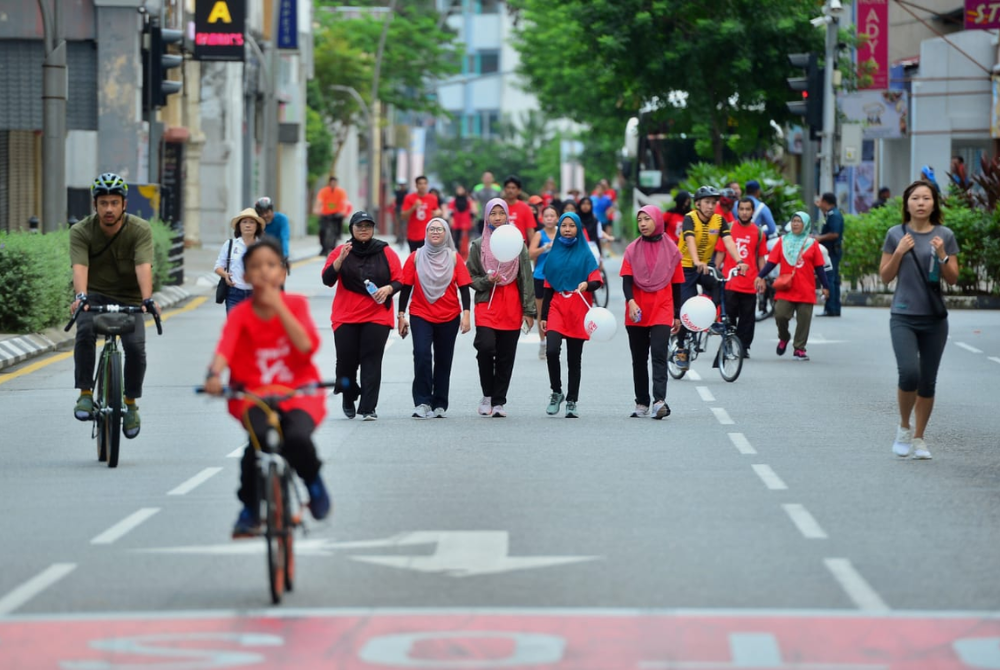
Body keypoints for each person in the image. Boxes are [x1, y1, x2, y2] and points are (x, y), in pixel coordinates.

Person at [203, 237, 331, 537]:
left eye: (271, 265)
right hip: (254, 393)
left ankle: (313, 482)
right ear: (245, 276)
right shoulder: (240, 314)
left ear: (283, 273)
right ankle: (249, 509)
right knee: (257, 443)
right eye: (255, 267)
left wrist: (278, 306)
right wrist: (213, 375)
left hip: (298, 391)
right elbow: (225, 348)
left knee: (298, 438)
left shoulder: (296, 305)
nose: (263, 272)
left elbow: (306, 346)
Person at [70, 172, 158, 439]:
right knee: (84, 333)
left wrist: (147, 300)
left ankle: (130, 404)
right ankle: (85, 394)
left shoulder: (140, 229)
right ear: (95, 205)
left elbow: (143, 266)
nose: (109, 208)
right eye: (103, 203)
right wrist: (81, 296)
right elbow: (80, 267)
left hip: (130, 298)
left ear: (124, 205)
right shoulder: (81, 231)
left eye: (114, 202)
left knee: (136, 349)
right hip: (94, 295)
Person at [879, 180, 959, 460]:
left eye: (927, 198)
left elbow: (952, 278)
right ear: (907, 203)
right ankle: (903, 427)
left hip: (935, 318)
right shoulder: (895, 234)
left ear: (934, 203)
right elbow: (885, 276)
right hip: (903, 315)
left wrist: (942, 255)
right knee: (909, 372)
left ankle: (920, 438)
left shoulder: (944, 234)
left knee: (927, 381)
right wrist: (900, 251)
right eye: (916, 198)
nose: (921, 203)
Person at [321, 211, 402, 420]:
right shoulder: (342, 251)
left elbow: (400, 279)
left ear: (373, 228)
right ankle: (348, 394)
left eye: (368, 225)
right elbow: (327, 279)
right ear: (352, 229)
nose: (364, 229)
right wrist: (339, 261)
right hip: (345, 315)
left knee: (371, 360)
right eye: (359, 226)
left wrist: (388, 289)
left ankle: (368, 407)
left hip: (377, 315)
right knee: (345, 363)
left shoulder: (385, 252)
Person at [466, 198, 536, 418]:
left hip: (512, 304)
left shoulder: (518, 242)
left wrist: (529, 310)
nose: (497, 217)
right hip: (487, 302)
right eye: (493, 213)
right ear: (486, 217)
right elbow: (470, 277)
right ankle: (487, 394)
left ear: (507, 216)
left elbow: (526, 277)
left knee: (506, 354)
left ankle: (498, 401)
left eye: (501, 213)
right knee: (485, 347)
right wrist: (487, 280)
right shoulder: (478, 245)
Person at [398, 218, 472, 419]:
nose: (436, 232)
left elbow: (464, 288)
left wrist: (466, 314)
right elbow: (405, 288)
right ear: (426, 232)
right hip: (421, 313)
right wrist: (401, 315)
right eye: (432, 229)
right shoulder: (416, 257)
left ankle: (439, 402)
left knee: (443, 359)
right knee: (421, 354)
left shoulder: (454, 257)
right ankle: (422, 401)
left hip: (449, 315)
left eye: (440, 229)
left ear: (446, 233)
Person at [621, 205, 682, 420]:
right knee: (638, 358)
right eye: (640, 221)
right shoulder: (631, 250)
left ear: (657, 220)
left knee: (658, 354)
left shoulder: (673, 251)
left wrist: (676, 314)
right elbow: (627, 282)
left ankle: (659, 401)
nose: (643, 224)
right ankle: (641, 402)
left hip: (662, 309)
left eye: (647, 219)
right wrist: (630, 301)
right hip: (637, 310)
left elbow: (677, 285)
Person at [540, 212, 602, 418]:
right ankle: (556, 392)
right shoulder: (553, 254)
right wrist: (543, 317)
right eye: (563, 225)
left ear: (578, 229)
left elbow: (596, 280)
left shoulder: (585, 253)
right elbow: (548, 287)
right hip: (557, 304)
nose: (567, 229)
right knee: (551, 351)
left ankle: (572, 401)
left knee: (574, 359)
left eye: (571, 226)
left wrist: (587, 284)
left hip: (578, 308)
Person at [674, 186, 742, 371]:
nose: (710, 206)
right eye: (707, 202)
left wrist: (740, 261)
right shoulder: (690, 218)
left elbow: (728, 241)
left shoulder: (720, 221)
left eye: (714, 203)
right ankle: (681, 349)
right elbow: (689, 240)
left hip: (705, 266)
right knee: (685, 307)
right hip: (686, 267)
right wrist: (696, 261)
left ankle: (713, 319)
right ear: (698, 204)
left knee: (720, 283)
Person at [754, 212, 830, 361]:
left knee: (803, 321)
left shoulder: (812, 244)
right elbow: (771, 263)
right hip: (786, 288)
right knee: (780, 315)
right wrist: (760, 275)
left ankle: (799, 348)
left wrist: (825, 286)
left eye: (799, 221)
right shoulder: (783, 241)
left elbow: (820, 268)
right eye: (794, 221)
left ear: (805, 225)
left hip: (806, 288)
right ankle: (784, 337)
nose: (795, 224)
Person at [714, 197, 765, 357]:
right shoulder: (728, 228)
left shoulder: (758, 232)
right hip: (730, 282)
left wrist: (762, 278)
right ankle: (728, 343)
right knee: (728, 316)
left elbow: (761, 258)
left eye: (747, 209)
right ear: (737, 210)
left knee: (747, 319)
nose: (744, 212)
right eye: (741, 209)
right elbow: (721, 252)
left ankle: (744, 347)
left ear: (752, 211)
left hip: (750, 282)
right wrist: (715, 272)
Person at [214, 207, 264, 314]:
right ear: (239, 226)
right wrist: (225, 275)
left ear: (257, 227)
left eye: (252, 222)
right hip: (234, 294)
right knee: (235, 329)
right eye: (244, 222)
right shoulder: (230, 245)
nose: (248, 225)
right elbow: (218, 267)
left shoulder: (263, 246)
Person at [529, 204, 559, 360]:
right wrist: (545, 248)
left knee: (557, 312)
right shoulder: (539, 235)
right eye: (546, 216)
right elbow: (530, 253)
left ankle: (554, 342)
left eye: (552, 216)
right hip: (540, 277)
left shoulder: (562, 233)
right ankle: (543, 342)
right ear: (542, 218)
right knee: (542, 313)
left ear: (557, 218)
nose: (549, 219)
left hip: (558, 278)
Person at [815, 192, 844, 317]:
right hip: (831, 251)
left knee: (830, 279)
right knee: (833, 279)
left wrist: (820, 238)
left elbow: (834, 234)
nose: (819, 203)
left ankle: (831, 307)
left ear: (826, 202)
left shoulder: (834, 215)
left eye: (821, 201)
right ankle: (834, 308)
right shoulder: (829, 214)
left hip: (832, 251)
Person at [401, 176, 441, 253]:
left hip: (428, 235)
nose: (422, 186)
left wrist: (438, 212)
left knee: (428, 259)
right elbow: (403, 216)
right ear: (416, 185)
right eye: (420, 183)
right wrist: (413, 207)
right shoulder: (409, 198)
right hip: (413, 235)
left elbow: (437, 210)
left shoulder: (432, 198)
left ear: (427, 185)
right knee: (415, 259)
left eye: (424, 183)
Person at [314, 176, 350, 256]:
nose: (333, 184)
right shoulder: (324, 191)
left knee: (339, 223)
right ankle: (323, 248)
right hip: (326, 213)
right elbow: (319, 201)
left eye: (335, 183)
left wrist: (343, 212)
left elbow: (344, 202)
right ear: (329, 183)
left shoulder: (340, 191)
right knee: (322, 230)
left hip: (337, 214)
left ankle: (338, 234)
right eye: (332, 182)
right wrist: (316, 209)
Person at [501, 175, 537, 242]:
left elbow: (530, 231)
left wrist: (531, 250)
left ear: (519, 190)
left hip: (520, 248)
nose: (510, 190)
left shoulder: (525, 208)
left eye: (513, 188)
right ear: (504, 189)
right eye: (508, 187)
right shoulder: (499, 207)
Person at [447, 184, 477, 259]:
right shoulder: (454, 200)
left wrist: (472, 220)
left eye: (461, 189)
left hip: (465, 221)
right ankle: (456, 254)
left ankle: (465, 254)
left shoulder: (468, 200)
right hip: (457, 222)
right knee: (456, 238)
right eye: (458, 189)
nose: (459, 191)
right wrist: (451, 219)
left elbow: (472, 211)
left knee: (465, 238)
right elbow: (450, 211)